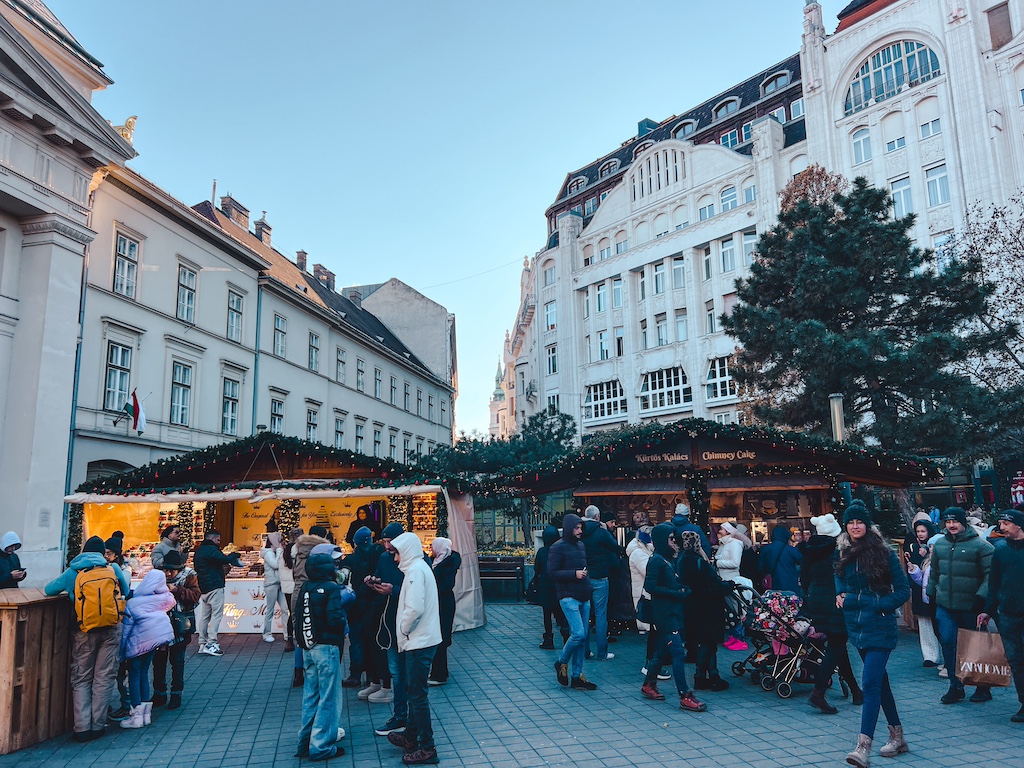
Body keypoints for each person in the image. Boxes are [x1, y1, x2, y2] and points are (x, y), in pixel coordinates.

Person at [835, 504, 911, 766]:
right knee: (880, 683)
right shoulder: (843, 551)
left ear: (868, 525)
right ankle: (897, 736)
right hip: (856, 627)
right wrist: (839, 593)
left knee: (869, 683)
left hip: (879, 625)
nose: (855, 526)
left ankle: (862, 747)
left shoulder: (883, 552)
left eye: (860, 521)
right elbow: (840, 578)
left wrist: (879, 604)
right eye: (850, 521)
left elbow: (903, 590)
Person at [45, 535, 131, 741]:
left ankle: (82, 728)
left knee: (82, 677)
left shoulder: (74, 572)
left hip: (84, 630)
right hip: (111, 629)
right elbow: (126, 592)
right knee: (104, 676)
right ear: (103, 552)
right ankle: (98, 725)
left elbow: (49, 590)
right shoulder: (112, 569)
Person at [386, 532, 443, 765]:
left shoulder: (415, 572)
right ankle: (411, 736)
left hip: (419, 640)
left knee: (417, 694)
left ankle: (428, 747)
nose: (395, 559)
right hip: (423, 639)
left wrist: (404, 629)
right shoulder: (418, 569)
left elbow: (414, 608)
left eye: (397, 553)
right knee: (415, 692)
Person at [927, 506, 994, 705]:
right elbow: (935, 573)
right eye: (947, 522)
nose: (951, 525)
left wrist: (981, 598)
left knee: (974, 646)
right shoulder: (939, 545)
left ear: (963, 522)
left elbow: (991, 575)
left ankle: (983, 686)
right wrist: (931, 595)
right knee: (948, 642)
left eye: (954, 521)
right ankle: (955, 686)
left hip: (971, 605)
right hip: (946, 604)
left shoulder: (982, 547)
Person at [801, 513, 863, 713]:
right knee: (836, 645)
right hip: (836, 601)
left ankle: (855, 690)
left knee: (838, 645)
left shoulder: (810, 551)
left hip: (817, 601)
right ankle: (818, 692)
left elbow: (804, 579)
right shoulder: (840, 550)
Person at [641, 523, 706, 712]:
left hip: (672, 610)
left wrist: (680, 589)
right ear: (662, 540)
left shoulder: (668, 559)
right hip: (664, 613)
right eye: (670, 539)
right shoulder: (656, 561)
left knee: (662, 651)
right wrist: (676, 593)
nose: (674, 542)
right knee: (678, 652)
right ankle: (685, 694)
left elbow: (669, 582)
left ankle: (648, 684)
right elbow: (650, 587)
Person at [294, 551, 348, 761]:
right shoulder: (332, 588)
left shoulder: (306, 587)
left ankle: (305, 742)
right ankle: (321, 746)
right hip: (327, 648)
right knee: (329, 697)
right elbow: (334, 618)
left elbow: (297, 614)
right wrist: (342, 626)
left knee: (311, 695)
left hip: (308, 647)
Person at [978, 509, 1024, 723]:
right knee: (1015, 660)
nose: (1001, 527)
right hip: (1007, 613)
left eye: (1005, 523)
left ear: (1018, 525)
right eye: (1000, 523)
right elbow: (994, 583)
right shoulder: (1000, 550)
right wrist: (988, 609)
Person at [368, 522, 412, 736]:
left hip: (410, 626)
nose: (387, 547)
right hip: (391, 622)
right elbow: (381, 575)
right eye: (384, 542)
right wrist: (374, 582)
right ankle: (401, 716)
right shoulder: (385, 558)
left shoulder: (417, 561)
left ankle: (409, 719)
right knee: (397, 672)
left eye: (390, 542)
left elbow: (418, 590)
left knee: (409, 675)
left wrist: (393, 589)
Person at [677, 530, 733, 692]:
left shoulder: (682, 560)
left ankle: (710, 675)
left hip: (692, 605)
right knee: (709, 642)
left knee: (704, 641)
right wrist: (729, 585)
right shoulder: (700, 562)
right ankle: (703, 676)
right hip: (708, 606)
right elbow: (714, 585)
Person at [118, 568, 175, 729]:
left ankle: (136, 715)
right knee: (143, 673)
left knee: (134, 675)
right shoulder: (163, 600)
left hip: (137, 643)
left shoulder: (134, 603)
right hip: (153, 643)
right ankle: (145, 715)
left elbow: (126, 630)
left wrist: (121, 652)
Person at [548, 513, 596, 690]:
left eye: (581, 528)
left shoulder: (581, 546)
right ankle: (561, 662)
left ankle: (577, 675)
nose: (579, 531)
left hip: (583, 594)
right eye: (576, 528)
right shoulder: (557, 547)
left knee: (582, 638)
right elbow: (551, 573)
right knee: (578, 633)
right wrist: (573, 574)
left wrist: (587, 584)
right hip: (568, 595)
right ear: (569, 528)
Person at [152, 549, 200, 710]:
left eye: (171, 570)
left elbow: (195, 596)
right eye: (165, 570)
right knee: (158, 661)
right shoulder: (157, 577)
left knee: (177, 662)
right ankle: (159, 693)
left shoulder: (189, 576)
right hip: (160, 625)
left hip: (180, 626)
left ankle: (176, 693)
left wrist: (177, 590)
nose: (168, 574)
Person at [580, 504, 622, 662]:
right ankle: (602, 652)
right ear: (597, 517)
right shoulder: (601, 532)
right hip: (600, 577)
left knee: (584, 614)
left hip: (584, 577)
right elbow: (615, 547)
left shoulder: (579, 531)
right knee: (601, 616)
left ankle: (585, 651)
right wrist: (605, 530)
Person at [193, 529, 243, 658]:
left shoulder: (199, 550)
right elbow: (223, 560)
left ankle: (202, 643)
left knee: (205, 616)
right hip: (215, 586)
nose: (219, 542)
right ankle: (211, 643)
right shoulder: (211, 549)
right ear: (214, 539)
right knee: (216, 615)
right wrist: (234, 555)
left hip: (204, 586)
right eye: (219, 540)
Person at [291, 526, 330, 685]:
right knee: (318, 632)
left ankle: (298, 673)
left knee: (300, 634)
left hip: (297, 591)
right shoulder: (322, 551)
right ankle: (316, 670)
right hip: (314, 592)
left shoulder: (298, 548)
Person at [340, 526, 376, 687]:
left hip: (355, 604)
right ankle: (371, 675)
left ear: (355, 542)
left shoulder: (349, 560)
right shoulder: (379, 556)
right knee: (372, 639)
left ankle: (355, 674)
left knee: (356, 640)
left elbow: (342, 579)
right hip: (375, 603)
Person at [903, 519, 941, 669]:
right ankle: (929, 656)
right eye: (918, 531)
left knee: (938, 623)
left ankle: (943, 654)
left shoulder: (935, 545)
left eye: (923, 531)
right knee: (924, 623)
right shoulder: (913, 546)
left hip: (935, 593)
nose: (920, 534)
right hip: (920, 590)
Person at [104, 536, 133, 721]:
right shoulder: (115, 569)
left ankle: (126, 704)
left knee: (119, 669)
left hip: (116, 621)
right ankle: (125, 704)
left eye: (109, 553)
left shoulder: (119, 569)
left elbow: (125, 590)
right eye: (105, 553)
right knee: (114, 670)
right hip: (115, 620)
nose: (106, 556)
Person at [428, 537, 461, 686]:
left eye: (433, 546)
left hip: (442, 603)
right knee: (439, 637)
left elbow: (443, 585)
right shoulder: (441, 562)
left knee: (439, 638)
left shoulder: (445, 566)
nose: (431, 549)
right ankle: (440, 670)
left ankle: (439, 674)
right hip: (441, 603)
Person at [715, 521, 750, 651]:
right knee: (729, 610)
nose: (719, 531)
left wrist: (717, 562)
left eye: (722, 529)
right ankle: (733, 636)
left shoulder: (734, 544)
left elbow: (735, 562)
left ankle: (739, 638)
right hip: (724, 580)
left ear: (728, 531)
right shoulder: (724, 544)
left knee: (735, 610)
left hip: (730, 581)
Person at [535, 524, 568, 649]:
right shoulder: (561, 551)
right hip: (559, 586)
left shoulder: (542, 551)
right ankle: (565, 635)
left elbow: (536, 569)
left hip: (545, 587)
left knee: (547, 615)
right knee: (560, 613)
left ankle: (548, 639)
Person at [759, 524, 802, 594]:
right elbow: (801, 560)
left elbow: (760, 568)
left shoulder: (765, 549)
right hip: (790, 583)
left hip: (772, 584)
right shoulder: (790, 549)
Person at [261, 532, 288, 643]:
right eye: (280, 540)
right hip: (271, 583)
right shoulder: (267, 553)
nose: (282, 542)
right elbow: (276, 565)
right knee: (270, 610)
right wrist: (279, 551)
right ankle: (266, 633)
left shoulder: (275, 551)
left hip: (280, 583)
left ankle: (287, 633)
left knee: (285, 609)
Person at [281, 526, 302, 653]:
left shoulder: (283, 552)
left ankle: (289, 639)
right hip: (297, 585)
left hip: (287, 587)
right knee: (300, 612)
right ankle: (300, 638)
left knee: (291, 613)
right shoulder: (299, 550)